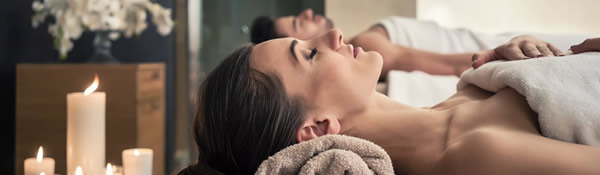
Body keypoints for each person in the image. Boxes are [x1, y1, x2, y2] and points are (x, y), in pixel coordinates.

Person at [180, 29, 600, 175]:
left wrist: (539, 62)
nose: (334, 36)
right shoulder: (475, 153)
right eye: (309, 54)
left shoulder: (458, 105)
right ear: (317, 127)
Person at [251, 8, 587, 79]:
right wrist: (520, 54)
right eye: (298, 23)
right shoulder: (369, 47)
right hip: (523, 54)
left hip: (512, 45)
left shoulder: (365, 41)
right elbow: (457, 64)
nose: (309, 13)